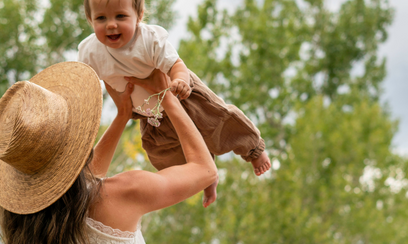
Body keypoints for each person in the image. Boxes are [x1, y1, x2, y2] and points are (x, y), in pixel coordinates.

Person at [0, 62, 217, 243]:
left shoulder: (27, 230)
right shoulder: (127, 191)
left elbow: (83, 181)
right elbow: (205, 170)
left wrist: (122, 116)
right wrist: (165, 96)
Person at [78, 0, 271, 207]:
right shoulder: (90, 52)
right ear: (90, 20)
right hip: (149, 113)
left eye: (120, 17)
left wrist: (180, 81)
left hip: (181, 94)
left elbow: (176, 64)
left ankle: (253, 150)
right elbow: (84, 82)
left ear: (139, 16)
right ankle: (204, 177)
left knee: (217, 124)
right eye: (101, 18)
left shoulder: (149, 39)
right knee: (164, 153)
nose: (111, 25)